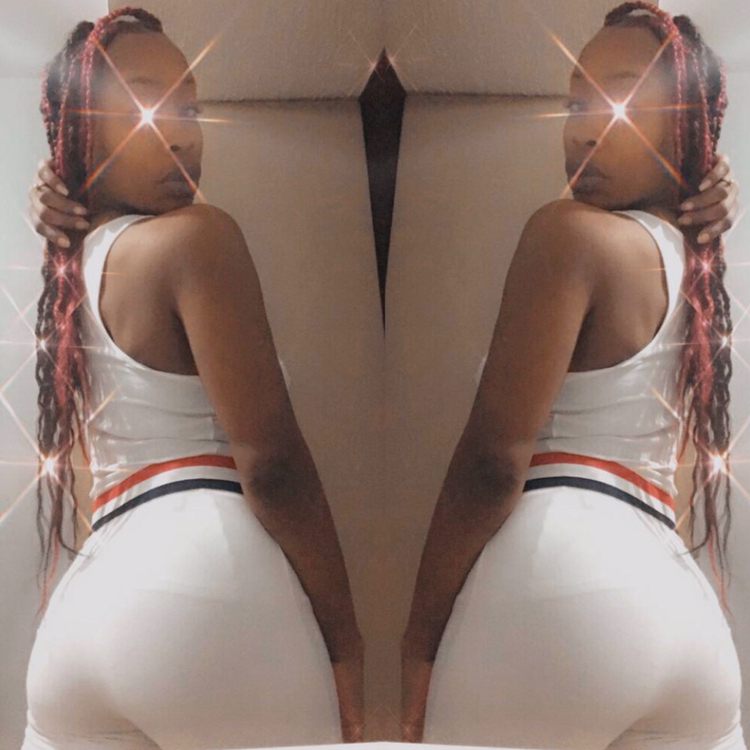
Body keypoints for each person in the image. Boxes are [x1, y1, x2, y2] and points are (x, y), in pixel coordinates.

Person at [401, 3, 745, 748]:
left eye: (618, 101)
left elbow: (493, 465)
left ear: (683, 126)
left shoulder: (567, 234)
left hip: (557, 593)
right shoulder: (695, 263)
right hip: (689, 625)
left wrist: (419, 645)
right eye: (577, 103)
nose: (585, 129)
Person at [23, 8, 363, 749]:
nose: (180, 135)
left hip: (80, 620)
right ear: (83, 131)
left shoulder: (72, 265)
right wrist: (345, 645)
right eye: (147, 109)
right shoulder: (198, 240)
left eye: (189, 110)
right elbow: (272, 467)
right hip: (208, 593)